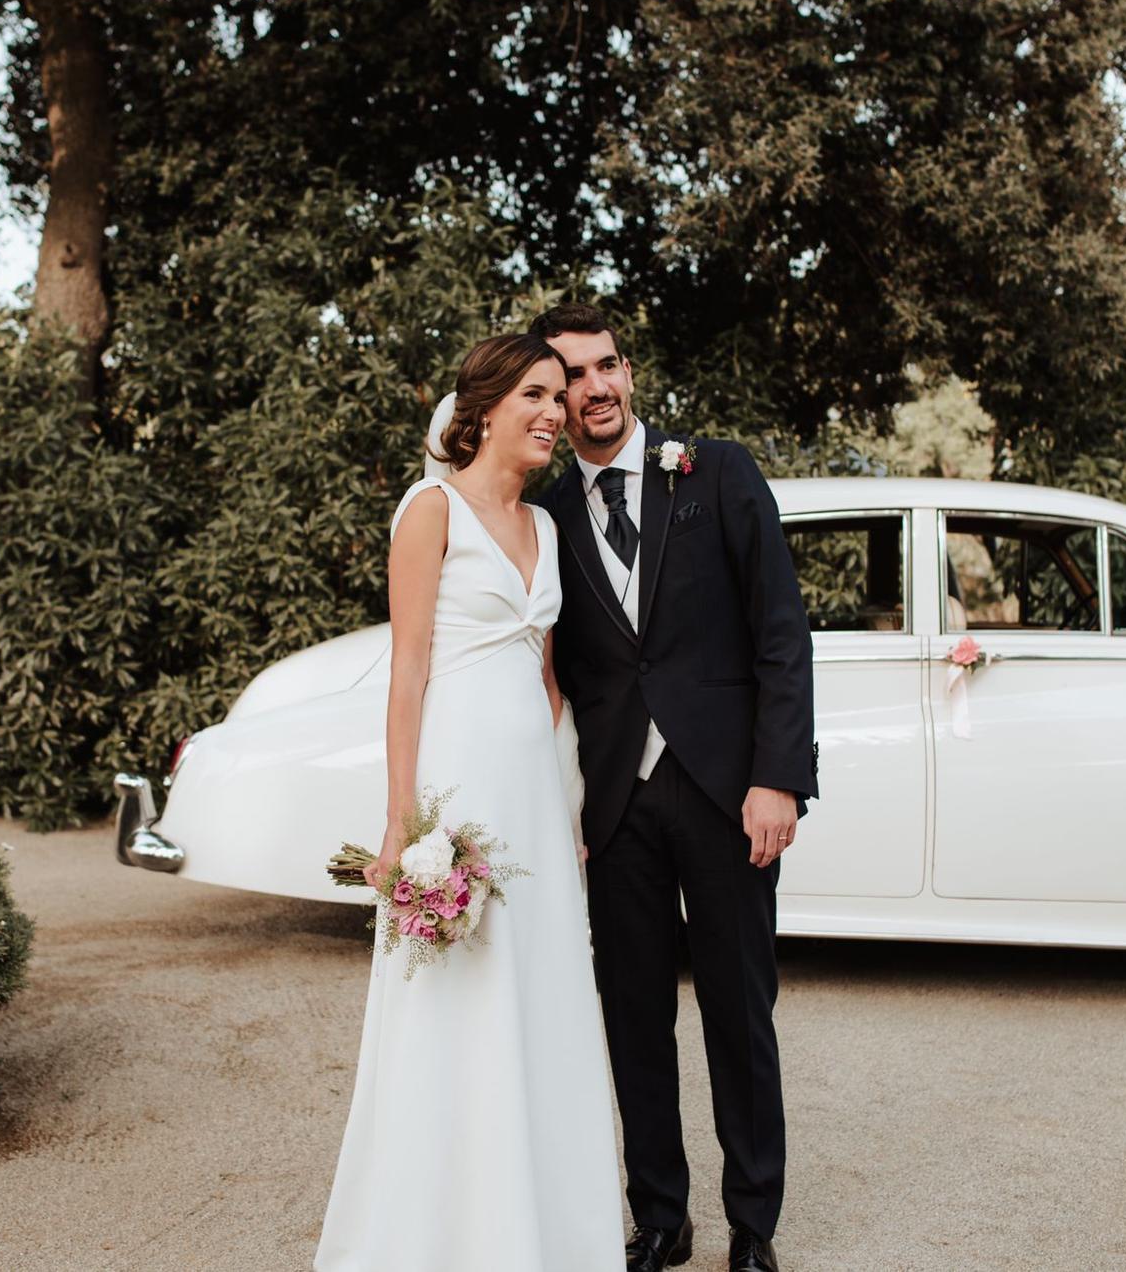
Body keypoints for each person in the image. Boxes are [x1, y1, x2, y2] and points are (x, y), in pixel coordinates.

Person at [316, 334, 622, 1271]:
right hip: (459, 791)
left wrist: (571, 802)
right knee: (455, 1002)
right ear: (483, 407)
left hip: (534, 787)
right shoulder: (430, 510)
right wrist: (404, 819)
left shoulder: (548, 526)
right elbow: (407, 672)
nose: (553, 412)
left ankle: (548, 1233)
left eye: (557, 398)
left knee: (543, 995)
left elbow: (549, 678)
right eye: (533, 394)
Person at [532, 304, 816, 1272]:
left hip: (727, 793)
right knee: (633, 1017)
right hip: (614, 808)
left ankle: (751, 1225)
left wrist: (777, 775)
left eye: (605, 364)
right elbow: (549, 672)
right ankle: (659, 1216)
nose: (595, 386)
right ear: (553, 396)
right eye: (571, 374)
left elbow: (780, 630)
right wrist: (556, 801)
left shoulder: (717, 471)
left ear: (627, 368)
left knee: (738, 1011)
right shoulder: (548, 516)